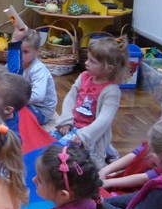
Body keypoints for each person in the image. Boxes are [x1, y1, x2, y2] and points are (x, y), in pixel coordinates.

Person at [52, 37, 129, 170]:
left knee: (61, 152)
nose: (86, 63)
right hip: (73, 126)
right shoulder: (84, 76)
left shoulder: (111, 91)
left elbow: (104, 119)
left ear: (109, 68)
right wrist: (66, 120)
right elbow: (70, 97)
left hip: (89, 133)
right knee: (50, 140)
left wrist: (83, 136)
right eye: (88, 59)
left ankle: (107, 150)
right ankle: (109, 151)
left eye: (92, 61)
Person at [6, 27, 58, 125]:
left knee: (11, 112)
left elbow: (38, 96)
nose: (21, 55)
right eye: (19, 50)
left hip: (41, 110)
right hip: (24, 101)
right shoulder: (16, 63)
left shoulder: (38, 69)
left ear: (37, 52)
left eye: (25, 52)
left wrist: (15, 100)